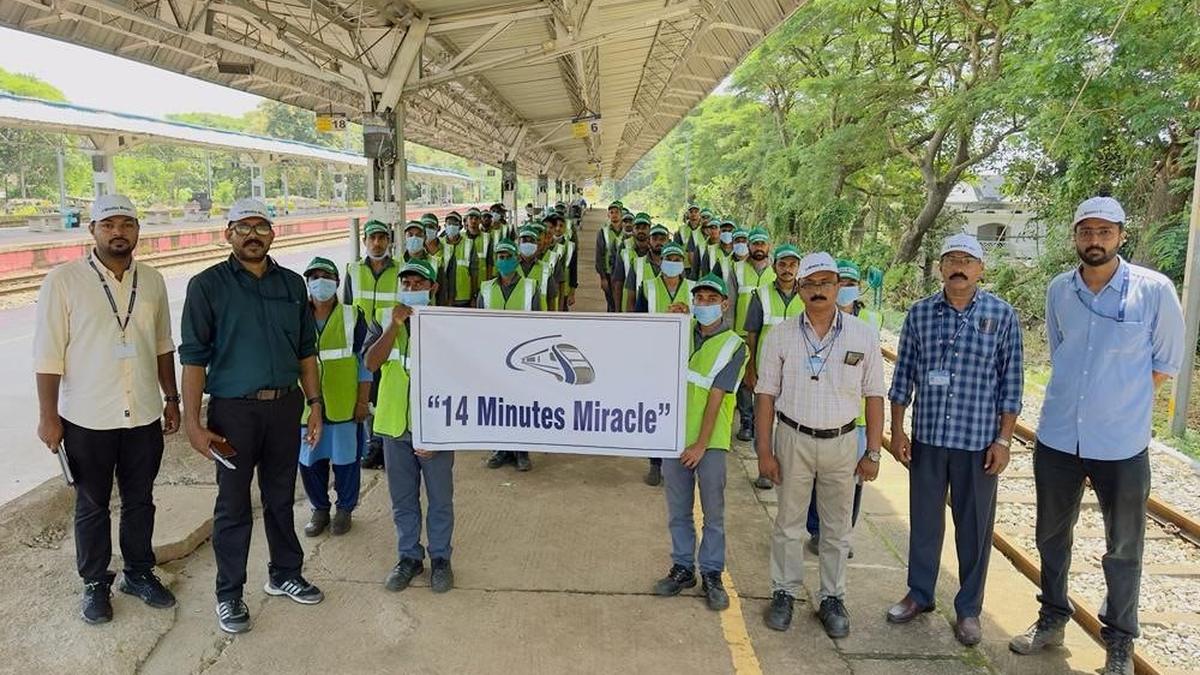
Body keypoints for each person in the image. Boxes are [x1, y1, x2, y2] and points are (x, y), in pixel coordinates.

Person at [1009, 197, 1185, 675]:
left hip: (1122, 444)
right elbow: (1062, 349)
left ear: (1120, 236)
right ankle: (1052, 615)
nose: (1094, 240)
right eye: (1086, 231)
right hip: (1060, 437)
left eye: (1104, 232)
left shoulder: (1154, 290)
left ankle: (1120, 639)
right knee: (1050, 535)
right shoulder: (1059, 291)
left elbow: (1164, 363)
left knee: (1123, 545)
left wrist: (1118, 403)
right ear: (1075, 237)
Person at [180, 198, 325, 635]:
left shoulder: (292, 285)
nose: (252, 235)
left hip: (285, 406)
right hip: (233, 412)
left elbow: (305, 352)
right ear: (228, 234)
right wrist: (193, 422)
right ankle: (229, 594)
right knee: (233, 503)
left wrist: (315, 405)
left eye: (261, 227)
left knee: (281, 496)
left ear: (272, 235)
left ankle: (284, 573)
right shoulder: (207, 286)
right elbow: (193, 358)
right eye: (243, 227)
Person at [34, 194, 179, 624]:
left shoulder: (152, 281)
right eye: (109, 224)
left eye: (127, 224)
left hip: (143, 414)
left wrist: (171, 399)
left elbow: (162, 345)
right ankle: (95, 583)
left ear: (137, 230)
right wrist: (48, 416)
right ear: (93, 230)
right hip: (87, 417)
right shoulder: (63, 281)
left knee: (141, 500)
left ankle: (137, 572)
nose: (119, 231)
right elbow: (48, 355)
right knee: (92, 504)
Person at [887, 235, 1023, 646]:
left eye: (967, 260)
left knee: (974, 529)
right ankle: (920, 594)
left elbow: (1011, 384)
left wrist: (1003, 440)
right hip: (929, 437)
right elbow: (903, 376)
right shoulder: (920, 314)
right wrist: (898, 429)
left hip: (978, 443)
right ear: (940, 268)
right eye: (951, 260)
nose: (958, 266)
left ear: (981, 268)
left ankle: (968, 610)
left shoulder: (1002, 315)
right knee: (925, 522)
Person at [755, 252, 885, 639]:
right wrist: (764, 450)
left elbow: (875, 394)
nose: (818, 291)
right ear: (799, 290)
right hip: (792, 438)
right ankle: (784, 592)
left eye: (826, 283)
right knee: (788, 523)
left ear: (838, 287)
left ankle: (832, 597)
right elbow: (765, 395)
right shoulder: (781, 335)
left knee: (836, 528)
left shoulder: (862, 334)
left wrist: (873, 450)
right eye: (810, 284)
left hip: (842, 442)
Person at [652, 274, 747, 612]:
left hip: (710, 442)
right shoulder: (680, 333)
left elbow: (717, 397)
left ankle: (711, 573)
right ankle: (682, 568)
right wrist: (668, 321)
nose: (704, 304)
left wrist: (700, 444)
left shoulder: (735, 345)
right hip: (672, 436)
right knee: (678, 511)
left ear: (725, 304)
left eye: (711, 299)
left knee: (713, 514)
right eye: (699, 298)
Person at [365, 259, 456, 594]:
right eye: (406, 284)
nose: (412, 289)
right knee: (403, 499)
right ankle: (409, 557)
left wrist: (438, 430)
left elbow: (458, 379)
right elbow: (371, 363)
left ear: (432, 288)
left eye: (419, 284)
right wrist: (393, 326)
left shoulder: (446, 326)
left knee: (439, 498)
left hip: (434, 428)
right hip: (393, 427)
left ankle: (441, 558)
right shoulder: (384, 322)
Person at [804, 259, 882, 557]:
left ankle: (842, 533)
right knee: (816, 476)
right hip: (825, 411)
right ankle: (817, 529)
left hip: (858, 418)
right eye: (843, 283)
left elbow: (875, 379)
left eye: (851, 284)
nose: (846, 289)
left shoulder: (871, 321)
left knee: (855, 479)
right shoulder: (817, 317)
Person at [299, 257, 372, 537]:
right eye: (314, 276)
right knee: (310, 461)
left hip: (344, 403)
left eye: (326, 275)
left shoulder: (353, 316)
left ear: (337, 282)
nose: (320, 282)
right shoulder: (297, 318)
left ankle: (344, 509)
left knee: (347, 460)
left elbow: (365, 362)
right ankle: (319, 509)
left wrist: (362, 401)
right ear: (307, 283)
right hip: (306, 408)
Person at [741, 244, 805, 489]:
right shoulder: (761, 295)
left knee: (792, 422)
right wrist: (750, 367)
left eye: (792, 265)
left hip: (798, 370)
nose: (787, 270)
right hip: (766, 369)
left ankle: (791, 468)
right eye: (783, 264)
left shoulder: (806, 295)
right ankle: (765, 469)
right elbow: (753, 334)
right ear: (774, 265)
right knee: (763, 421)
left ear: (798, 268)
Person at [634, 241, 694, 487]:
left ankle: (680, 462)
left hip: (687, 358)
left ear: (683, 264)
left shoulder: (693, 290)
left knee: (682, 412)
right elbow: (637, 322)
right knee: (656, 411)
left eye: (677, 259)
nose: (672, 263)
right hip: (656, 359)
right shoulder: (648, 288)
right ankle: (655, 463)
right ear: (661, 262)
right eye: (668, 258)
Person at [478, 239, 541, 471]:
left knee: (521, 402)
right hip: (494, 355)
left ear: (516, 259)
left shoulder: (530, 287)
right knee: (497, 403)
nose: (504, 261)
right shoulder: (485, 289)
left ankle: (522, 450)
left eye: (508, 257)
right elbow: (477, 324)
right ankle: (500, 448)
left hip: (522, 355)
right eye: (500, 257)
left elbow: (538, 323)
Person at [344, 220, 397, 471]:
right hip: (360, 343)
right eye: (372, 238)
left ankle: (387, 444)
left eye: (382, 238)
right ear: (365, 241)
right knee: (365, 395)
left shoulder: (401, 270)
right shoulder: (353, 271)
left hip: (390, 342)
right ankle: (372, 445)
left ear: (389, 240)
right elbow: (345, 308)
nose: (377, 243)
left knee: (385, 392)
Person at [731, 227, 775, 444]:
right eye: (755, 243)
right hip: (741, 333)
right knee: (745, 381)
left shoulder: (777, 270)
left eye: (762, 244)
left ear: (769, 246)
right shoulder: (737, 269)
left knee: (767, 381)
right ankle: (746, 421)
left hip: (769, 336)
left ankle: (762, 423)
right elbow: (729, 303)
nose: (759, 247)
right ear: (749, 246)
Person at [612, 213, 653, 312]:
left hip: (652, 305)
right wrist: (617, 310)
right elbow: (618, 281)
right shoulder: (624, 247)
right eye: (637, 227)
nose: (641, 231)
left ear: (650, 229)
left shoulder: (656, 250)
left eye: (644, 228)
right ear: (633, 230)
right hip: (628, 305)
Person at [439, 211, 479, 307]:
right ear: (445, 226)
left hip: (464, 297)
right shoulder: (440, 243)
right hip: (443, 296)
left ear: (460, 227)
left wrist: (473, 296)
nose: (451, 226)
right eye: (449, 223)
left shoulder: (469, 244)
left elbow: (474, 272)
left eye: (455, 224)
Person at [595, 201, 625, 312]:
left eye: (617, 212)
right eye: (611, 212)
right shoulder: (603, 232)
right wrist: (602, 278)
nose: (614, 215)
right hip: (609, 273)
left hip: (624, 274)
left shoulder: (628, 232)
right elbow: (599, 255)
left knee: (622, 303)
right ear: (608, 215)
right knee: (612, 303)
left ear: (622, 214)